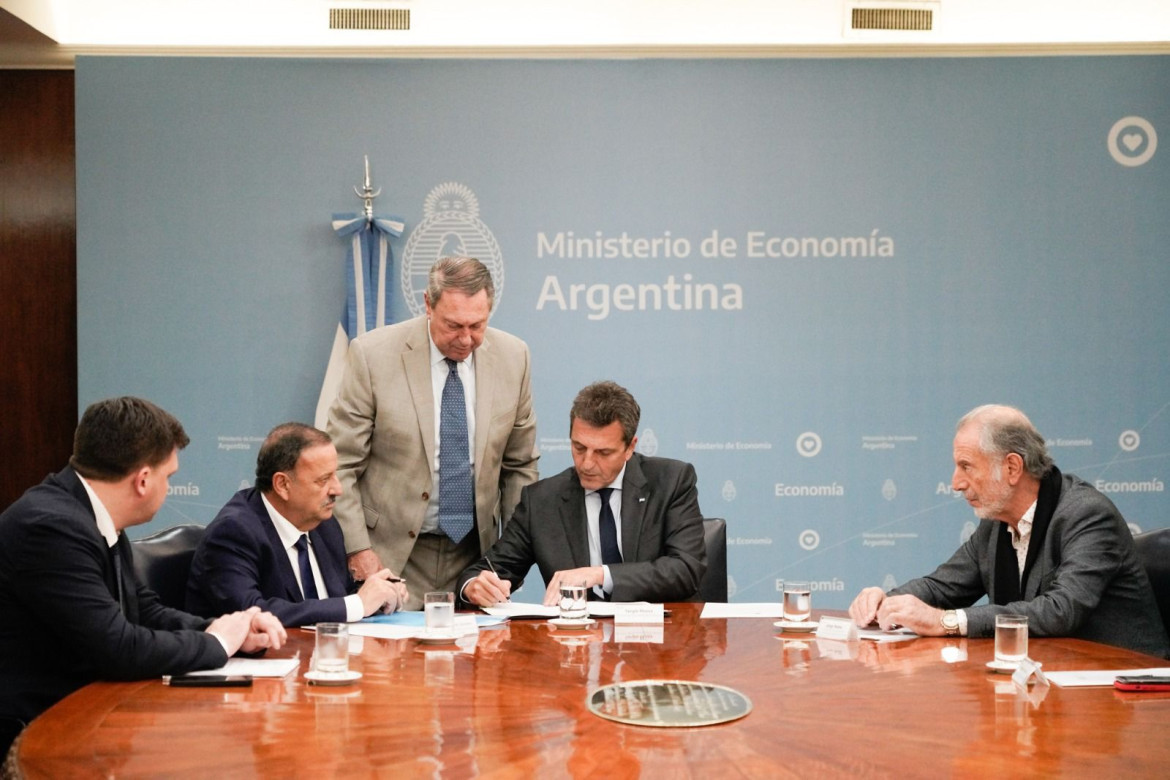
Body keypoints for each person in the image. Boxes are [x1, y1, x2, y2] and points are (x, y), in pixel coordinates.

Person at [0, 397, 286, 755]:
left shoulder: (89, 515)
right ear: (143, 480)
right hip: (34, 736)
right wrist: (216, 645)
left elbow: (144, 610)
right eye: (169, 477)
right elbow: (118, 649)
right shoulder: (51, 527)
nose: (168, 489)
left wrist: (229, 630)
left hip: (88, 717)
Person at [849, 404, 1169, 658]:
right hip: (1051, 679)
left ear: (1013, 468)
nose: (956, 483)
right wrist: (887, 605)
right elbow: (943, 585)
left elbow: (1061, 610)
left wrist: (945, 622)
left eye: (967, 466)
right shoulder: (996, 524)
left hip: (1126, 689)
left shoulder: (1086, 516)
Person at [327, 256, 539, 609]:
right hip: (388, 556)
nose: (466, 339)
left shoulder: (514, 357)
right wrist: (357, 548)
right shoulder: (373, 355)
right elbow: (340, 464)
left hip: (475, 561)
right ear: (428, 304)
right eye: (454, 325)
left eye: (477, 325)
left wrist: (509, 559)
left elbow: (520, 468)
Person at [458, 381, 706, 606]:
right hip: (577, 642)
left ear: (630, 447)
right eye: (579, 447)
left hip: (660, 642)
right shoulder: (543, 501)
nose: (586, 464)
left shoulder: (671, 480)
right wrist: (474, 587)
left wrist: (600, 574)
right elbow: (489, 569)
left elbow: (685, 569)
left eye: (603, 453)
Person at [186, 423, 407, 627]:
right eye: (323, 480)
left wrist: (379, 593)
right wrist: (357, 604)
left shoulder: (323, 525)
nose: (338, 489)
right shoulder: (233, 533)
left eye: (335, 476)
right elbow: (252, 613)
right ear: (282, 484)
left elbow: (340, 595)